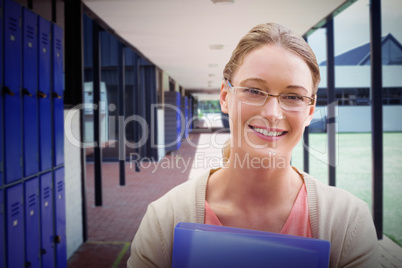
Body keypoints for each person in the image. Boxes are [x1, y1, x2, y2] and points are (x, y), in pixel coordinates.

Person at [127, 22, 378, 268]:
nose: (272, 113)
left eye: (293, 96)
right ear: (225, 97)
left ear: (310, 111)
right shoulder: (165, 219)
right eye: (255, 91)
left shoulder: (346, 223)